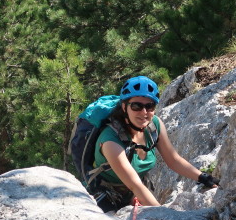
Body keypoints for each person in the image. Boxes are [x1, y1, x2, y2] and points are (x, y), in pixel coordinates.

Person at [93, 75, 219, 212]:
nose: (144, 112)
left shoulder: (154, 126)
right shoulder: (110, 140)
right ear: (124, 107)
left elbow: (173, 160)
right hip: (103, 201)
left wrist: (204, 177)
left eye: (150, 106)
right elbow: (135, 185)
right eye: (136, 106)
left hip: (133, 195)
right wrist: (165, 215)